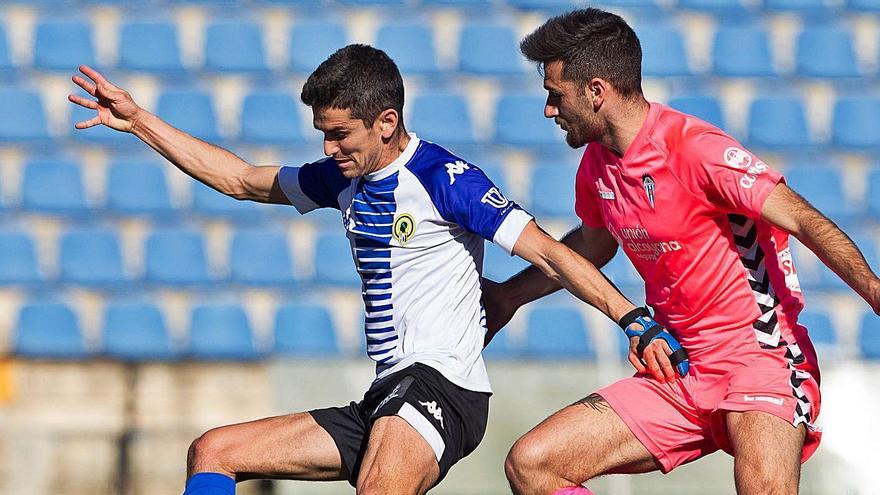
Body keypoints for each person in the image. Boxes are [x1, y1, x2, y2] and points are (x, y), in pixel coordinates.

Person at [68, 44, 685, 495]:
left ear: (386, 122)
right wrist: (140, 121)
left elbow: (551, 252)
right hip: (387, 393)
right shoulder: (343, 177)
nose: (328, 148)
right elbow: (240, 179)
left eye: (339, 134)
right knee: (214, 451)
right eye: (322, 134)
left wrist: (632, 317)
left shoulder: (446, 179)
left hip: (443, 386)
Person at [482, 8, 880, 495]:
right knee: (533, 465)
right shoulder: (595, 167)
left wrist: (873, 289)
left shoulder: (696, 149)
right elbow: (591, 247)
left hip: (759, 358)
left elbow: (800, 217)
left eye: (555, 95)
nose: (549, 110)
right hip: (679, 366)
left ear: (596, 91)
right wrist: (509, 296)